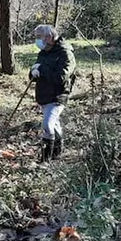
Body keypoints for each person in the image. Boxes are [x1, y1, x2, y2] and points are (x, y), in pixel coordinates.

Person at [29, 24, 76, 162]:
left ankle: (45, 158)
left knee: (47, 125)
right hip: (44, 95)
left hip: (57, 95)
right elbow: (38, 71)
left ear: (49, 37)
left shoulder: (65, 53)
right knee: (54, 125)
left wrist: (42, 69)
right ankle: (57, 154)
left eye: (39, 37)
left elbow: (61, 77)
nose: (37, 40)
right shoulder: (43, 52)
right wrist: (33, 72)